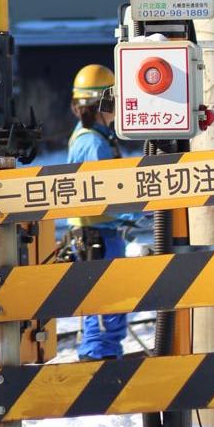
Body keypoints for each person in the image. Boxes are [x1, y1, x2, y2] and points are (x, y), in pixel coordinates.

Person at [64, 63, 128, 361]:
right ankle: (99, 358)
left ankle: (102, 354)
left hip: (97, 233)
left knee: (105, 298)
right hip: (98, 233)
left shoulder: (94, 137)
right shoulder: (93, 144)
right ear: (104, 104)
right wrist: (136, 214)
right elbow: (104, 192)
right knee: (106, 300)